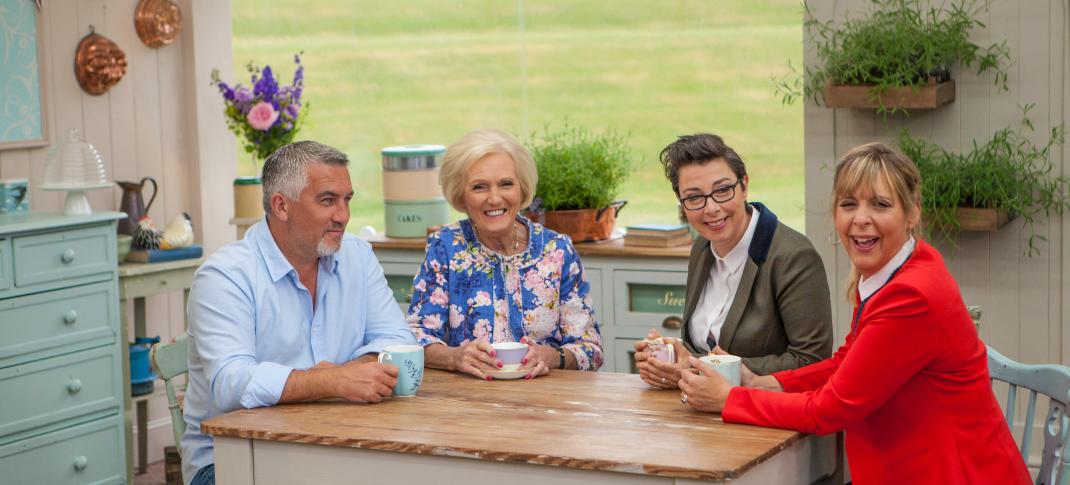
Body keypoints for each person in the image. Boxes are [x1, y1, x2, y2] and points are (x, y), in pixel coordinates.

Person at [679, 142, 1031, 484]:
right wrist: (764, 382)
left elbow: (830, 410)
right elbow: (846, 362)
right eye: (848, 204)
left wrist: (732, 399)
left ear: (912, 213)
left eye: (880, 205)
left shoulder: (911, 295)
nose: (861, 219)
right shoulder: (902, 268)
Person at [181, 141, 417, 485]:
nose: (344, 216)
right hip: (233, 460)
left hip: (338, 445)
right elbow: (230, 384)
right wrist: (331, 381)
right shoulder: (225, 277)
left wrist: (351, 372)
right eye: (327, 200)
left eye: (347, 199)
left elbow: (398, 338)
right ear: (281, 206)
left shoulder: (357, 256)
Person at [635, 133, 832, 388]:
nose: (711, 208)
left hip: (773, 420)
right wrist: (669, 357)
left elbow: (812, 363)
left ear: (744, 186)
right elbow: (702, 350)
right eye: (695, 197)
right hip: (704, 412)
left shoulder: (794, 256)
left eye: (722, 190)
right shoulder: (702, 247)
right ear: (682, 204)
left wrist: (699, 366)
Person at [407, 128, 603, 379]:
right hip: (468, 400)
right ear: (460, 195)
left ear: (522, 188)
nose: (495, 198)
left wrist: (552, 357)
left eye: (506, 184)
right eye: (479, 187)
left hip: (548, 400)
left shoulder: (557, 250)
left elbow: (591, 350)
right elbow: (415, 337)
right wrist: (455, 357)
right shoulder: (445, 248)